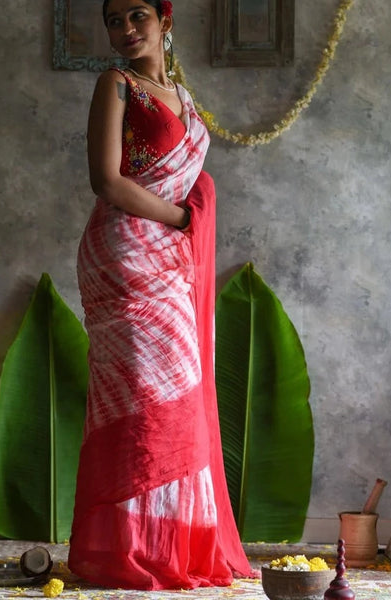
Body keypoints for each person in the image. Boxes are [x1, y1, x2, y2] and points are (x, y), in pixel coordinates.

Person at [68, 0, 257, 590]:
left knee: (174, 395)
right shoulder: (117, 85)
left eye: (137, 16)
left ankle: (170, 542)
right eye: (114, 21)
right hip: (126, 253)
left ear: (164, 20)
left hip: (169, 254)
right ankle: (131, 548)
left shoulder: (180, 92)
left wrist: (184, 220)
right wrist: (182, 217)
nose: (125, 30)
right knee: (141, 397)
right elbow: (107, 180)